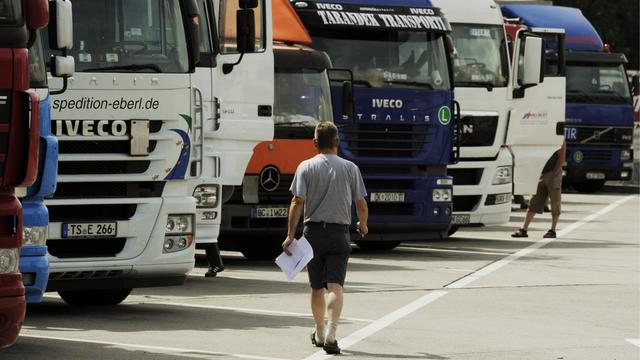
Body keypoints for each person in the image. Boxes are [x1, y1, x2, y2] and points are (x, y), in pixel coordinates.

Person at [282, 121, 368, 355]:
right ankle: (332, 332)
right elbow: (360, 203)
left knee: (316, 287)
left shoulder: (305, 167)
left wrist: (290, 235)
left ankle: (319, 331)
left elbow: (297, 201)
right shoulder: (351, 168)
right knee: (335, 287)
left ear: (314, 143)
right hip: (340, 234)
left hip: (313, 234)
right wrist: (363, 224)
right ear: (337, 142)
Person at [512, 142, 567, 239]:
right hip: (541, 173)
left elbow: (561, 157)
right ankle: (524, 229)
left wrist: (554, 174)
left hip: (553, 173)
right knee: (534, 201)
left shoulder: (558, 137)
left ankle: (552, 230)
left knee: (555, 202)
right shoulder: (542, 136)